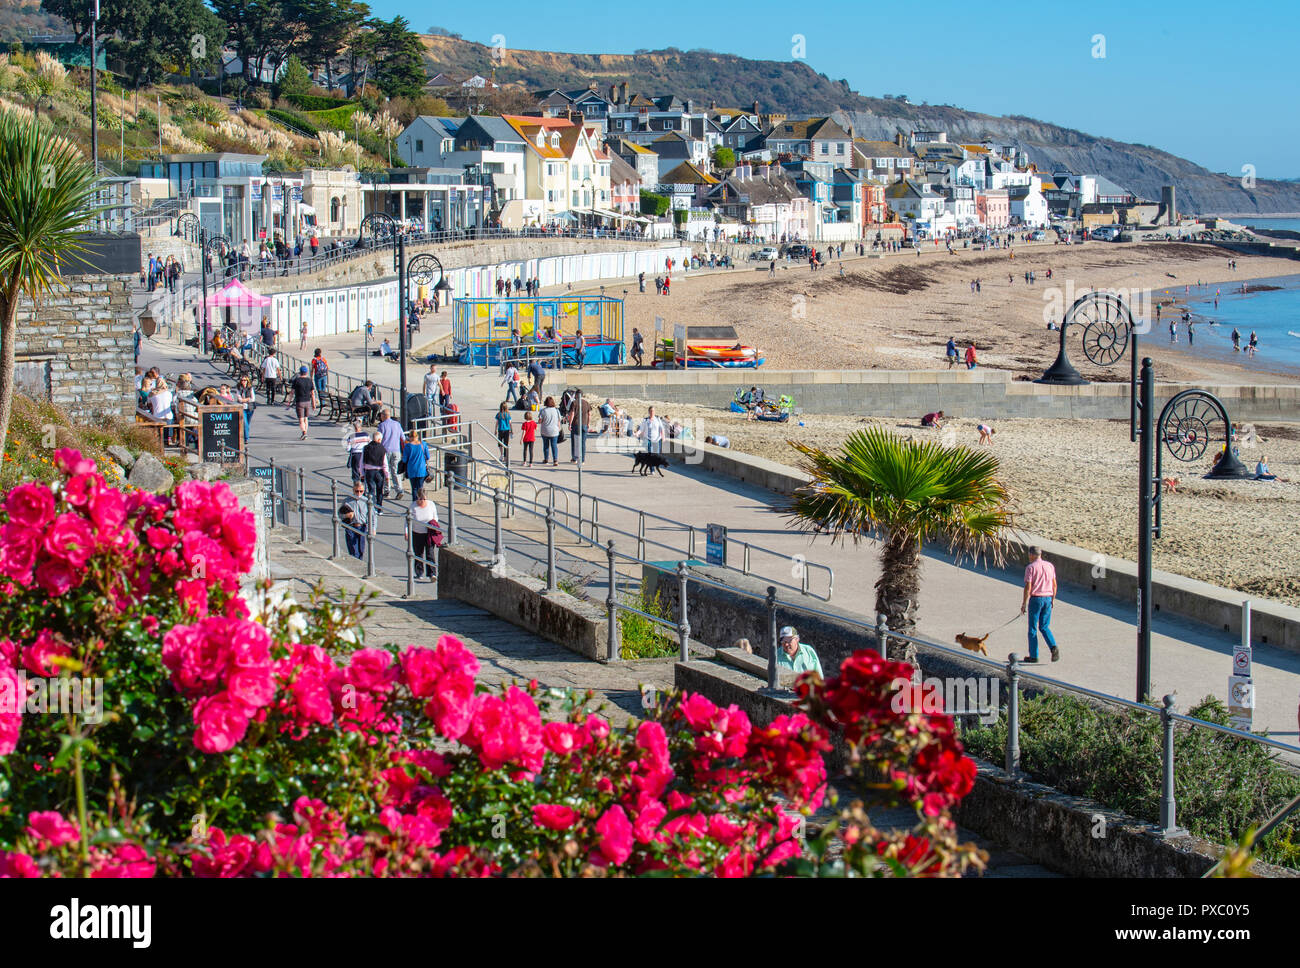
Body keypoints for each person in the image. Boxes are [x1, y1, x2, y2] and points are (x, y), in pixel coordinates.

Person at [1020, 546, 1059, 663]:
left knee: (1032, 628)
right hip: (1048, 597)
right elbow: (1054, 584)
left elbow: (1028, 587)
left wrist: (1024, 603)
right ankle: (1053, 647)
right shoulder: (1050, 566)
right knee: (1044, 626)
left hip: (1036, 599)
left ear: (1031, 555)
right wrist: (1053, 599)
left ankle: (1034, 655)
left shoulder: (1030, 568)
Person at [409, 487, 441, 581]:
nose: (422, 501)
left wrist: (433, 524)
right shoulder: (413, 506)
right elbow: (408, 520)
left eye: (424, 499)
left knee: (430, 553)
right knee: (418, 553)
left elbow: (435, 517)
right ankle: (419, 572)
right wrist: (406, 532)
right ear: (417, 497)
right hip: (417, 532)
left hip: (429, 533)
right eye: (420, 499)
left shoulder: (431, 504)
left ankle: (432, 574)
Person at [339, 481, 371, 560]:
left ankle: (359, 562)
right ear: (353, 490)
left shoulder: (367, 501)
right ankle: (355, 562)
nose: (359, 493)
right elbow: (339, 514)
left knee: (361, 549)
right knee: (353, 549)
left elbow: (373, 516)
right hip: (351, 527)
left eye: (361, 491)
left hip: (362, 527)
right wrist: (346, 515)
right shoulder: (347, 501)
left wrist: (373, 528)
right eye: (357, 491)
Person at [377, 409, 404, 499]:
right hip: (396, 450)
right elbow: (403, 438)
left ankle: (387, 490)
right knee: (396, 471)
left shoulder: (381, 425)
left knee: (385, 471)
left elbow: (379, 439)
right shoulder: (397, 424)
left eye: (381, 415)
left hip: (385, 450)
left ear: (384, 416)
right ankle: (399, 489)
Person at [361, 431, 389, 514]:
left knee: (371, 490)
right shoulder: (382, 449)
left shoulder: (366, 448)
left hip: (369, 471)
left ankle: (372, 508)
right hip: (379, 471)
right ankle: (379, 508)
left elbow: (361, 462)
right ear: (379, 439)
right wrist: (387, 475)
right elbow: (385, 463)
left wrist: (361, 473)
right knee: (380, 491)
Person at [289, 365, 317, 441]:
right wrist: (314, 404)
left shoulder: (297, 380)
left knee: (301, 419)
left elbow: (292, 392)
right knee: (306, 419)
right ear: (306, 372)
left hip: (299, 401)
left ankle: (304, 433)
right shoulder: (309, 381)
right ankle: (305, 433)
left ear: (300, 372)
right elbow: (312, 393)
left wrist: (289, 401)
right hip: (308, 401)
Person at [402, 430, 430, 498]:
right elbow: (428, 457)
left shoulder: (408, 446)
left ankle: (415, 504)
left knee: (414, 488)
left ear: (410, 437)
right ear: (417, 436)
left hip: (412, 470)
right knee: (420, 488)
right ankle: (421, 502)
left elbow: (404, 460)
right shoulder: (423, 444)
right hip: (422, 470)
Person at [567, 390, 591, 463]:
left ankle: (574, 458)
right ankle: (582, 460)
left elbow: (572, 414)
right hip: (584, 424)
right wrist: (588, 424)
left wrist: (570, 424)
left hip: (576, 424)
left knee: (575, 442)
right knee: (583, 443)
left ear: (576, 395)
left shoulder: (574, 403)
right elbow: (589, 414)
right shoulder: (586, 403)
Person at [537, 396, 561, 466]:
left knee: (546, 445)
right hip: (554, 430)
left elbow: (540, 421)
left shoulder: (543, 411)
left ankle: (546, 459)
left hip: (545, 430)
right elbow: (559, 421)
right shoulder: (556, 410)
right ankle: (555, 460)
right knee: (554, 445)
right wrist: (559, 428)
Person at [235, 376, 255, 441]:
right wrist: (247, 399)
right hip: (242, 408)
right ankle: (246, 438)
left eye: (245, 380)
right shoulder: (238, 388)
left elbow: (253, 399)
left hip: (250, 408)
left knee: (248, 423)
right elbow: (239, 399)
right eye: (242, 380)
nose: (243, 381)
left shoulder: (250, 388)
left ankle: (245, 434)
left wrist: (245, 400)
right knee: (245, 423)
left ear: (247, 381)